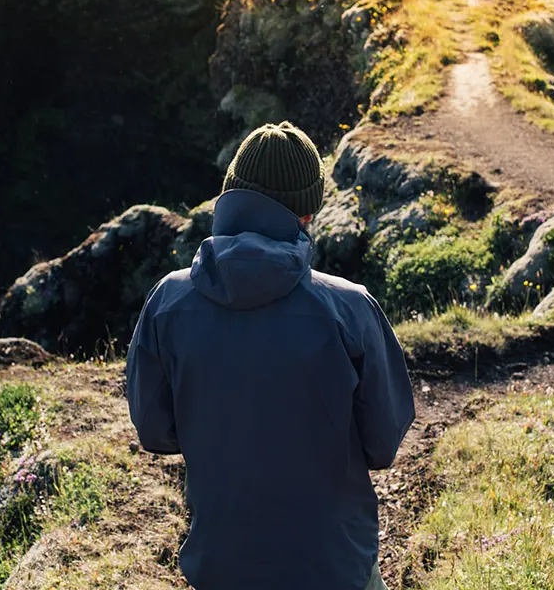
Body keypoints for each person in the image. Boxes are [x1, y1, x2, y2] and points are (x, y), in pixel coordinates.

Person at [127, 121, 415, 590]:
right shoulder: (349, 308)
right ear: (307, 213)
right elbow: (384, 444)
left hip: (221, 566)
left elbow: (155, 431)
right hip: (333, 565)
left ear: (230, 197)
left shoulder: (168, 303)